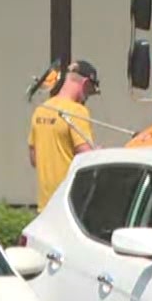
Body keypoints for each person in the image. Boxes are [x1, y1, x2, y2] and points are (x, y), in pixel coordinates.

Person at [27, 59, 99, 210]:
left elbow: (34, 159)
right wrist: (97, 154)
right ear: (85, 83)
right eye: (90, 91)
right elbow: (86, 159)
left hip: (45, 207)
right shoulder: (78, 111)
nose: (87, 97)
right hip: (68, 207)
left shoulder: (41, 110)